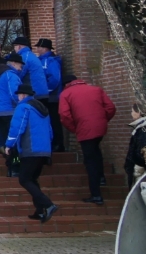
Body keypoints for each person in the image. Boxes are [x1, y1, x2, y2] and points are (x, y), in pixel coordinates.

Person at [59, 73, 116, 204]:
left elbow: (64, 115)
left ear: (66, 85)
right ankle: (101, 177)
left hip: (84, 129)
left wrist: (75, 128)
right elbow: (111, 107)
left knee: (90, 161)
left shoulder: (66, 94)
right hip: (100, 127)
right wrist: (102, 120)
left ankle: (96, 194)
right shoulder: (96, 89)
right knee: (95, 151)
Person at [5, 83, 57, 222]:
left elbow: (17, 127)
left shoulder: (23, 107)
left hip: (30, 149)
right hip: (44, 150)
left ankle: (48, 204)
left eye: (18, 95)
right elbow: (50, 131)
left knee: (24, 179)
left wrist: (9, 144)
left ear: (23, 95)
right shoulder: (42, 109)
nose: (17, 97)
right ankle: (39, 211)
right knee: (32, 179)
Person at [0, 54, 23, 174]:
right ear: (13, 63)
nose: (21, 68)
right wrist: (21, 105)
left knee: (6, 142)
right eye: (20, 65)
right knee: (14, 141)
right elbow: (14, 94)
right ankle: (14, 167)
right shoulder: (11, 75)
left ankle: (10, 167)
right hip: (11, 111)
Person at [34, 39, 65, 151]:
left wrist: (45, 90)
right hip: (45, 96)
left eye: (39, 47)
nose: (37, 49)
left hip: (51, 97)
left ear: (45, 48)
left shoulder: (51, 61)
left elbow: (55, 79)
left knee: (54, 120)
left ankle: (58, 144)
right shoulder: (40, 60)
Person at [125, 104, 146, 187]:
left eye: (132, 111)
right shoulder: (140, 127)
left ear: (139, 113)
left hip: (141, 169)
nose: (131, 113)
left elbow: (142, 148)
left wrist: (136, 163)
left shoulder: (142, 129)